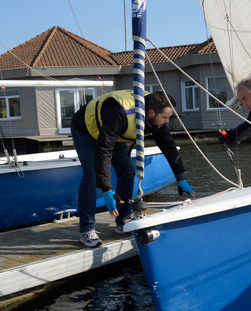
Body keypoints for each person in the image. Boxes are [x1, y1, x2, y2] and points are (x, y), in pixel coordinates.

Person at [71, 90, 195, 248]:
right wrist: (107, 189)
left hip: (113, 132)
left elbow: (168, 145)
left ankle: (122, 221)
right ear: (151, 113)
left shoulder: (157, 113)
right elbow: (104, 151)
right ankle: (86, 230)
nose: (167, 121)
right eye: (165, 117)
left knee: (128, 172)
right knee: (92, 175)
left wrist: (180, 177)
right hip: (85, 129)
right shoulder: (120, 113)